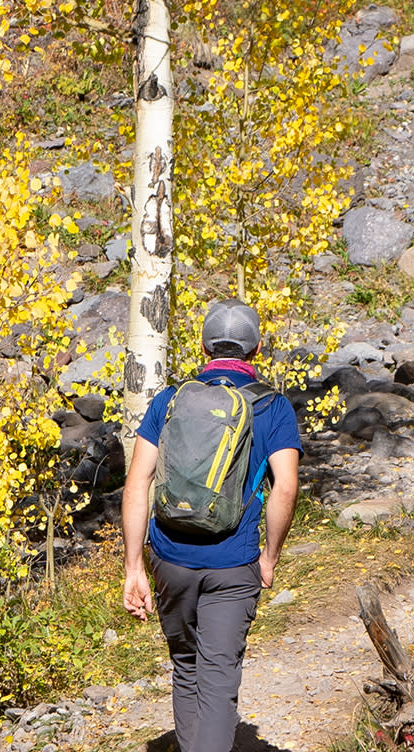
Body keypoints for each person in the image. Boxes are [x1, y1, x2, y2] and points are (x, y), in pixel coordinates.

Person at [121, 299, 302, 752]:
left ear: (204, 348)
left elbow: (138, 482)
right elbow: (285, 488)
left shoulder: (170, 399)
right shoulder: (273, 407)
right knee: (218, 678)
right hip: (233, 563)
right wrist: (269, 557)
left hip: (170, 558)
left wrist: (134, 566)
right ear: (256, 349)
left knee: (185, 665)